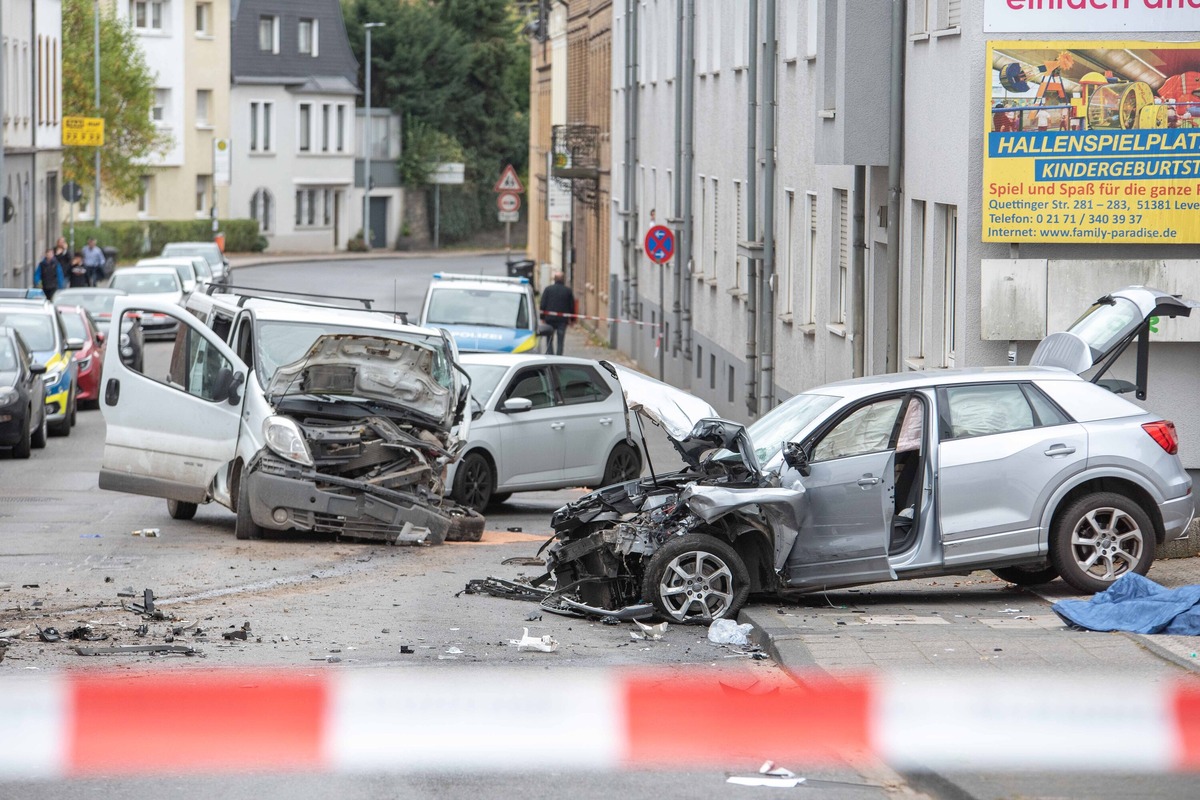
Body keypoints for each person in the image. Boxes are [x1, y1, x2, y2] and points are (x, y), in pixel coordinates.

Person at [539, 271, 575, 355]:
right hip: (562, 320)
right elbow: (571, 306)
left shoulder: (548, 289)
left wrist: (542, 317)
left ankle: (550, 355)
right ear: (563, 280)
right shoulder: (568, 291)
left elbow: (543, 304)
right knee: (560, 340)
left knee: (549, 339)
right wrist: (572, 320)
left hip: (549, 319)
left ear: (554, 279)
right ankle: (559, 356)